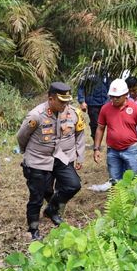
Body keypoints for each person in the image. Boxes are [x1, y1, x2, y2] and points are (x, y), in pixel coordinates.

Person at [17, 82, 85, 240]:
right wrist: (28, 153)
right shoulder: (36, 115)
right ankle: (33, 229)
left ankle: (52, 209)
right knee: (37, 196)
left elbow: (77, 134)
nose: (65, 104)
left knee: (73, 185)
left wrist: (78, 155)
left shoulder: (70, 112)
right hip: (38, 159)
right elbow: (21, 136)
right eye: (62, 101)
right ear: (51, 98)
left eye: (67, 101)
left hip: (58, 156)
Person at [93, 79, 137, 182]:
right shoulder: (105, 109)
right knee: (115, 181)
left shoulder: (135, 108)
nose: (114, 99)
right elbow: (100, 128)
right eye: (112, 96)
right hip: (113, 151)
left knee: (133, 180)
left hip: (131, 150)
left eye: (117, 97)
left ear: (125, 94)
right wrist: (96, 148)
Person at [77, 51, 111, 143]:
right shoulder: (87, 72)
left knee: (109, 124)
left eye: (100, 60)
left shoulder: (106, 71)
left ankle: (110, 143)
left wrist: (110, 100)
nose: (98, 63)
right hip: (92, 104)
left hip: (105, 102)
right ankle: (96, 143)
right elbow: (81, 87)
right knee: (95, 124)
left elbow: (110, 86)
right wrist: (82, 101)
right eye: (96, 60)